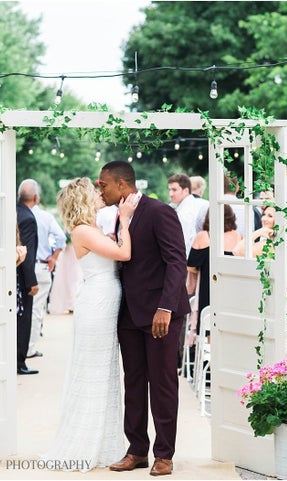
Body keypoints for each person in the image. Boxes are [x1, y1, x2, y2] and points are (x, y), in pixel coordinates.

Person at [98, 161, 189, 477]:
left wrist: (165, 308)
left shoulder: (160, 211)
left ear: (122, 185)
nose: (101, 189)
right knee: (133, 383)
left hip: (160, 314)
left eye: (104, 184)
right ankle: (137, 450)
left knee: (163, 384)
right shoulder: (117, 215)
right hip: (129, 314)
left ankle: (164, 454)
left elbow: (177, 262)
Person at [42, 177, 137, 471]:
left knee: (104, 371)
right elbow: (124, 254)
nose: (100, 194)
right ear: (83, 199)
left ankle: (103, 443)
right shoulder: (83, 230)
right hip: (96, 304)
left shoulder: (92, 229)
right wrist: (125, 220)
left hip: (105, 301)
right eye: (94, 191)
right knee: (93, 370)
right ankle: (84, 442)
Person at [22, 179, 66, 359]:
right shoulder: (45, 217)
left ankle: (19, 347)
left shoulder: (14, 213)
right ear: (36, 197)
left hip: (19, 267)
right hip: (40, 267)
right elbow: (61, 238)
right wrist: (53, 258)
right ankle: (29, 349)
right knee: (36, 310)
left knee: (20, 310)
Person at [16, 180, 40, 375]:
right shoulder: (28, 219)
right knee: (24, 320)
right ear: (36, 197)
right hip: (22, 278)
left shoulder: (13, 211)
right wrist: (31, 281)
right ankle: (20, 362)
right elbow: (27, 253)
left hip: (12, 274)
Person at [168, 173, 197, 256]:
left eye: (174, 190)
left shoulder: (186, 213)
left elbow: (182, 242)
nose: (171, 194)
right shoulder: (192, 205)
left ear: (186, 191)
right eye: (169, 190)